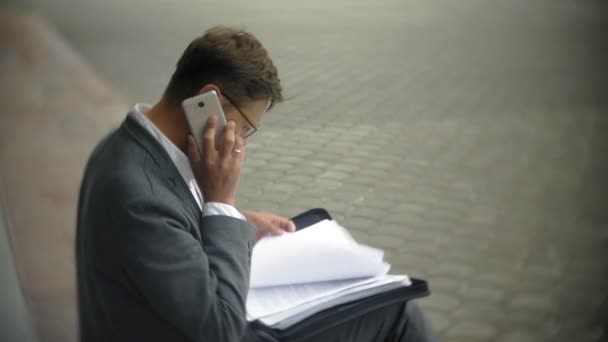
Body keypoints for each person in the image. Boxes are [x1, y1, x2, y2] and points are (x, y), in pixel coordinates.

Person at [76, 26, 437, 342]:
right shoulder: (137, 195)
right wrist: (222, 203)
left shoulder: (130, 146)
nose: (243, 141)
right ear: (208, 102)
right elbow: (221, 330)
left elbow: (169, 224)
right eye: (245, 126)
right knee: (398, 315)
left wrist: (241, 222)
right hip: (210, 328)